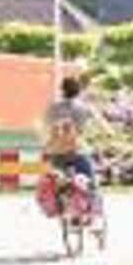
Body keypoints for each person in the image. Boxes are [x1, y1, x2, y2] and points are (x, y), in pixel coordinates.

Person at [43, 74, 102, 215]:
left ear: (62, 89)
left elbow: (46, 128)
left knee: (60, 179)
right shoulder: (84, 107)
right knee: (90, 180)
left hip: (55, 153)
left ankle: (62, 204)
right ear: (79, 90)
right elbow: (102, 124)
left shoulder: (52, 107)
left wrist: (47, 146)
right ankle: (93, 210)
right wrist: (111, 134)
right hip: (77, 151)